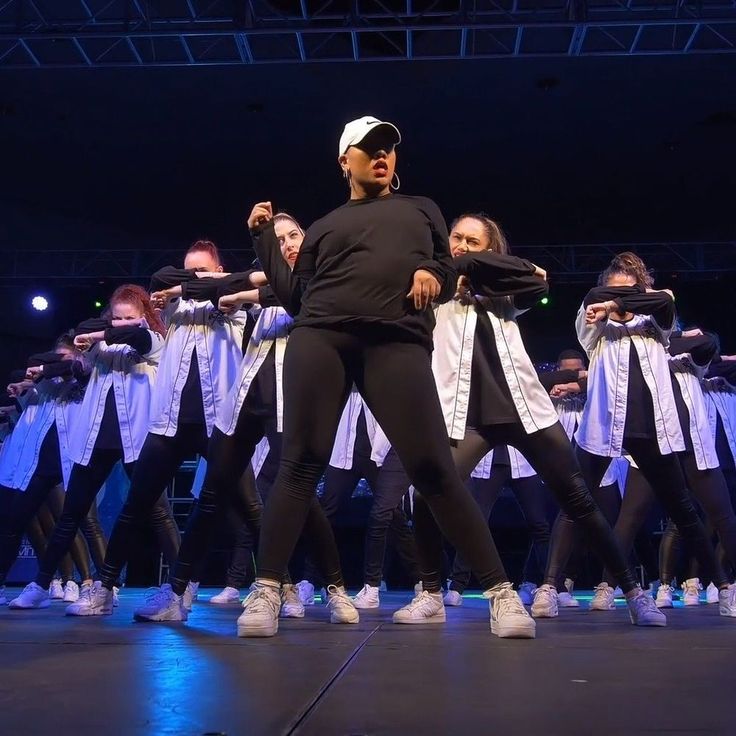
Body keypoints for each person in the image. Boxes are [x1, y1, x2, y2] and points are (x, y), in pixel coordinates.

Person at [240, 116, 535, 639]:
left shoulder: (421, 209)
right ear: (344, 161)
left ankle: (501, 594)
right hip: (321, 337)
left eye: (389, 149)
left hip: (394, 339)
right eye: (369, 148)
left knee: (433, 468)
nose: (382, 156)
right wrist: (264, 238)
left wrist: (432, 274)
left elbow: (447, 268)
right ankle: (266, 589)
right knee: (301, 463)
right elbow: (296, 298)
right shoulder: (327, 226)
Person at [402, 213, 661, 627]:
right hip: (465, 417)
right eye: (456, 238)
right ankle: (431, 592)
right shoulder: (436, 290)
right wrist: (452, 272)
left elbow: (538, 279)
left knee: (579, 500)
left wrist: (471, 267)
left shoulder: (506, 289)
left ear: (490, 249)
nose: (461, 247)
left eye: (473, 241)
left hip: (525, 410)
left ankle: (632, 591)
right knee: (426, 494)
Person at [540, 252, 736, 619]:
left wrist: (618, 301)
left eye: (629, 292)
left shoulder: (655, 322)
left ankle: (724, 587)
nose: (617, 299)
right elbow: (591, 300)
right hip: (602, 427)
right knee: (574, 503)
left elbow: (664, 300)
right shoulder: (594, 325)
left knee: (683, 510)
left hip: (651, 430)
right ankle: (549, 587)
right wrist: (610, 302)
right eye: (613, 291)